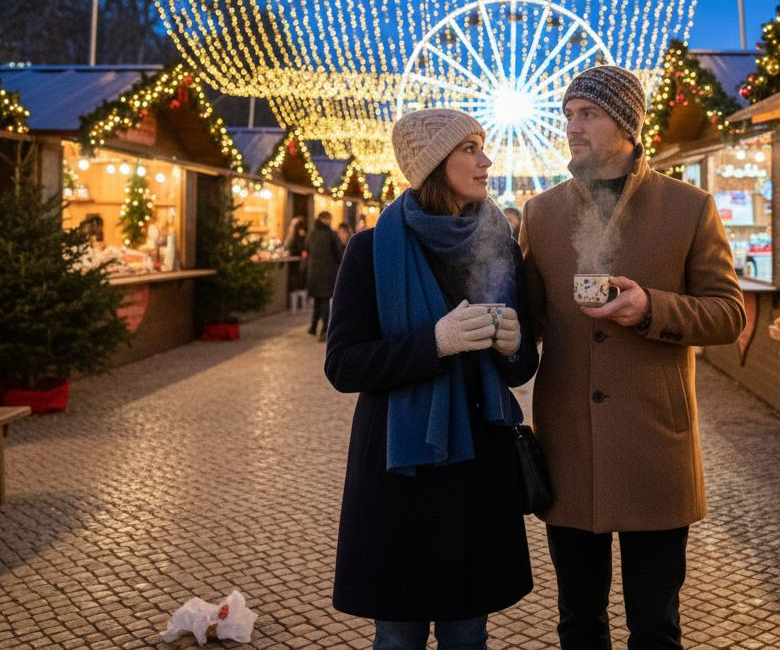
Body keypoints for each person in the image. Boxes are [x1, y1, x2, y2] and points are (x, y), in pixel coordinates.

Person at [519, 66, 746, 648]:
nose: (572, 126)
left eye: (587, 114)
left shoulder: (688, 206)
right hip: (569, 444)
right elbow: (531, 324)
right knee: (578, 622)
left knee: (656, 624)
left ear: (625, 123)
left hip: (654, 444)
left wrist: (650, 309)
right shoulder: (541, 214)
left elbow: (728, 314)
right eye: (567, 114)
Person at [324, 108, 539, 650]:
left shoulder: (500, 246)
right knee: (398, 636)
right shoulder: (370, 251)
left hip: (478, 471)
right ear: (432, 164)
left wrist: (516, 347)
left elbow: (520, 366)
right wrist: (434, 343)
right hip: (402, 472)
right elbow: (344, 363)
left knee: (469, 634)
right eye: (469, 148)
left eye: (482, 145)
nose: (485, 160)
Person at [305, 211, 344, 340]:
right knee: (325, 301)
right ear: (324, 219)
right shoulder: (330, 234)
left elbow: (306, 249)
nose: (330, 221)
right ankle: (324, 331)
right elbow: (338, 253)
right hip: (327, 272)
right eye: (329, 219)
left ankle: (313, 327)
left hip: (314, 272)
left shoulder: (312, 233)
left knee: (317, 300)